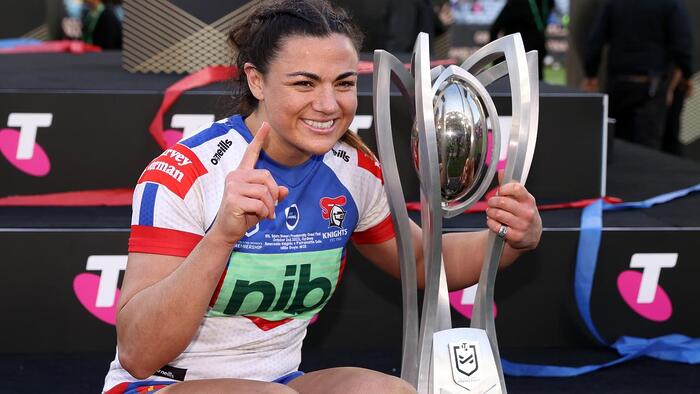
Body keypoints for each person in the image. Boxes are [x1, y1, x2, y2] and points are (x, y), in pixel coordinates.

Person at [102, 0, 542, 392]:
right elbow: (139, 354)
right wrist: (221, 237)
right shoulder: (188, 172)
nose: (329, 105)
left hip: (281, 381)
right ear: (256, 81)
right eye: (305, 84)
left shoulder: (353, 169)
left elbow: (423, 262)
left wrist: (508, 239)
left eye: (345, 83)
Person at [581, 0, 693, 150]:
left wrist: (591, 75)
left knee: (616, 147)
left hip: (619, 84)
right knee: (648, 150)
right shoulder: (671, 4)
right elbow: (682, 48)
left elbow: (595, 42)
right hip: (650, 87)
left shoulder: (614, 4)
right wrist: (686, 76)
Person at [489, 0, 555, 80]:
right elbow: (495, 29)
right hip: (518, 55)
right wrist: (496, 59)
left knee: (535, 83)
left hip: (535, 54)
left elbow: (494, 29)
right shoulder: (517, 3)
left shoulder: (547, 2)